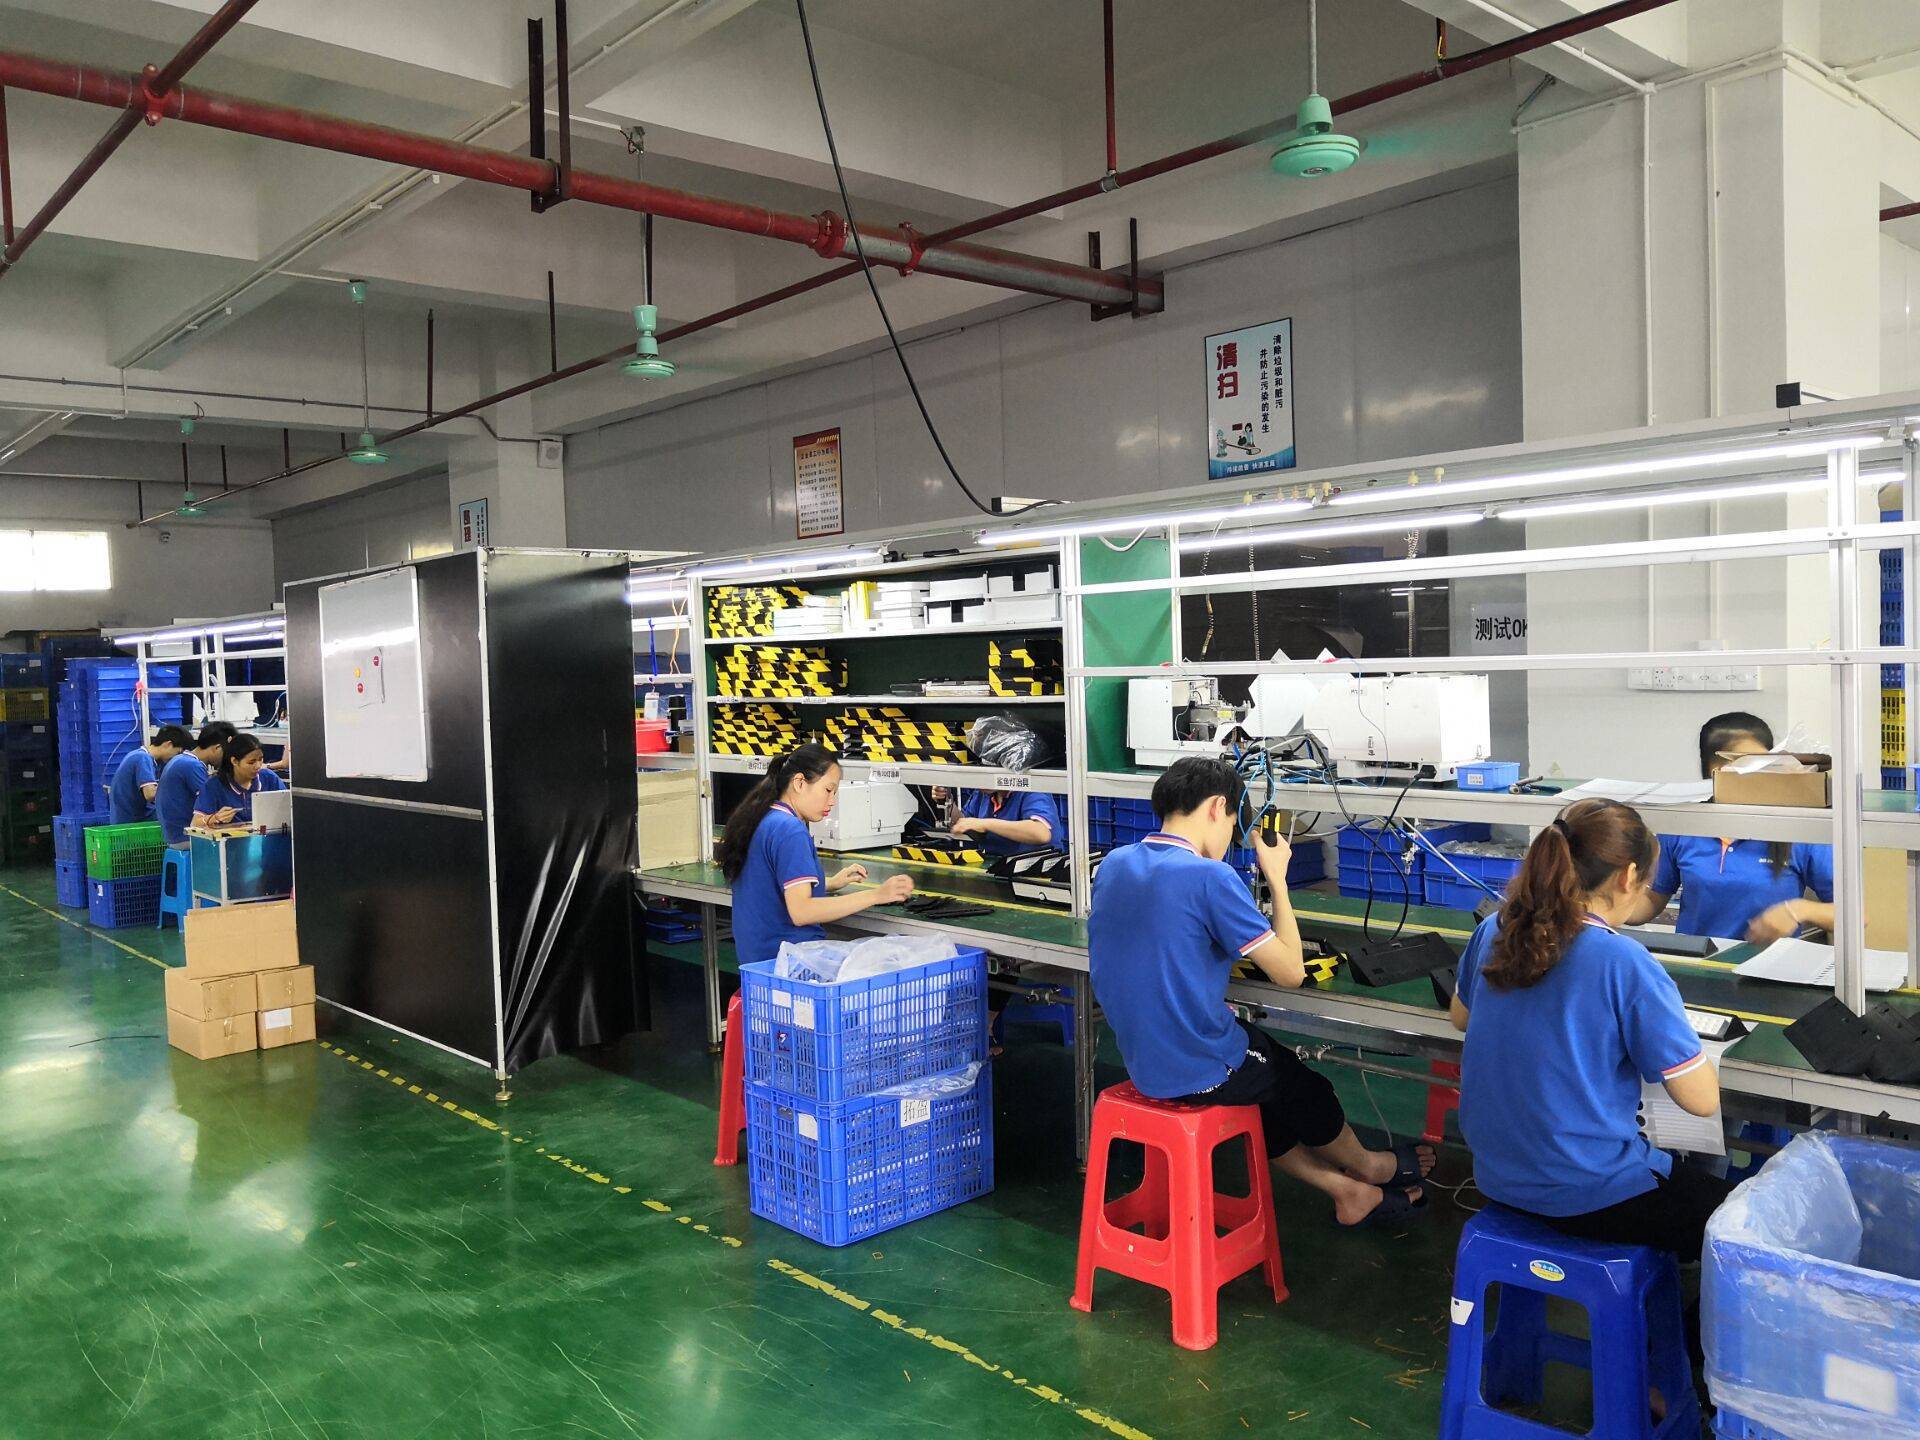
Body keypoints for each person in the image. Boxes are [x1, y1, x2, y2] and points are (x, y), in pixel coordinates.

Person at [1089, 756, 1433, 1227]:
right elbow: (1290, 972)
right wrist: (1278, 879)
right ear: (1218, 807)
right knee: (1301, 1086)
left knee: (1262, 1087)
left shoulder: (1115, 863)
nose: (1230, 838)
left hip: (1143, 1062)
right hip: (1197, 1065)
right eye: (1233, 823)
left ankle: (1347, 1191)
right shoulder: (1210, 877)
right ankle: (1370, 1166)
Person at [1451, 797, 1730, 1261]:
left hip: (1498, 1177)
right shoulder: (1624, 961)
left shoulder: (1495, 929)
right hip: (1590, 1193)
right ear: (1627, 877)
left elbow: (1460, 1017)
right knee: (1738, 1222)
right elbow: (1701, 1101)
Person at [1626, 712, 1834, 943]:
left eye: (1760, 765)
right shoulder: (1684, 825)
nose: (1751, 775)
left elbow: (1854, 913)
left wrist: (1799, 910)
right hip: (1698, 961)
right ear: (1711, 770)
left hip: (1770, 963)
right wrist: (1604, 904)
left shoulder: (1796, 828)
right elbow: (1651, 901)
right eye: (1739, 766)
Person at [717, 744, 915, 963]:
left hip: (758, 961)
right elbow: (802, 911)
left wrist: (829, 883)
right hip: (790, 964)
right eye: (828, 790)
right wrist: (877, 895)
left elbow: (770, 884)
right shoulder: (790, 830)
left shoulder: (762, 818)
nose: (832, 800)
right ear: (799, 783)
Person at [156, 722, 236, 848]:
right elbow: (215, 801)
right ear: (217, 748)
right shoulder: (192, 765)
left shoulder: (180, 759)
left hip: (174, 836)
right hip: (185, 837)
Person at [190, 732, 287, 831]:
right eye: (251, 762)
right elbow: (195, 823)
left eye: (261, 759)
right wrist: (214, 818)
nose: (258, 766)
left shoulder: (270, 779)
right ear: (234, 761)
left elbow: (288, 809)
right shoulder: (214, 785)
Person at [928, 784, 1060, 856]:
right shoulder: (984, 793)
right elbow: (964, 824)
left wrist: (986, 824)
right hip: (997, 869)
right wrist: (946, 801)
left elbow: (1041, 834)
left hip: (1034, 875)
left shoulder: (1032, 790)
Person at [106, 725, 192, 824]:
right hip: (132, 823)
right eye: (178, 753)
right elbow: (150, 794)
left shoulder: (148, 759)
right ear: (168, 744)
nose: (177, 758)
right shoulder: (142, 758)